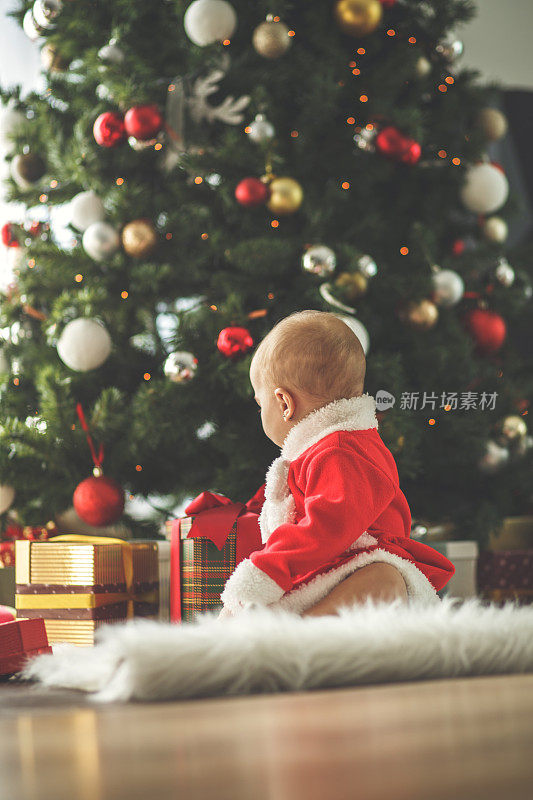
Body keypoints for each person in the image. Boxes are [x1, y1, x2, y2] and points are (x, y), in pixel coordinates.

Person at [219, 310, 454, 618]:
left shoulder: (343, 451)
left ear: (284, 404)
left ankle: (297, 634)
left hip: (363, 567)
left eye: (261, 405)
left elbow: (327, 525)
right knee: (240, 614)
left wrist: (266, 572)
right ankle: (270, 638)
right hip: (323, 574)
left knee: (383, 579)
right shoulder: (316, 451)